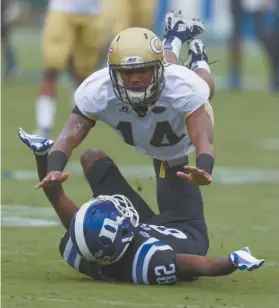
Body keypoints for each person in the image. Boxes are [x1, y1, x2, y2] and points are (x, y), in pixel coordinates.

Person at [34, 13, 215, 229]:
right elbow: (68, 136)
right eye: (127, 73)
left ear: (158, 71)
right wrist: (54, 167)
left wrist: (205, 167)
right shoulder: (98, 89)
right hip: (152, 133)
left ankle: (198, 58)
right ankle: (174, 38)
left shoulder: (182, 87)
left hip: (175, 139)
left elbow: (202, 136)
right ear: (112, 73)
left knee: (206, 88)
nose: (135, 79)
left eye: (142, 71)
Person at [18, 128, 264, 285]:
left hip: (140, 230)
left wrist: (42, 157)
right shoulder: (150, 260)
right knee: (168, 151)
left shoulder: (81, 249)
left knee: (92, 158)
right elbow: (205, 266)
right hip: (185, 228)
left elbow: (57, 197)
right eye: (118, 214)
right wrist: (233, 260)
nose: (119, 208)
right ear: (124, 232)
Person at [34, 0, 104, 138]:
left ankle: (79, 123)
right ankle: (44, 124)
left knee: (83, 73)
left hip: (93, 11)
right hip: (62, 9)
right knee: (52, 67)